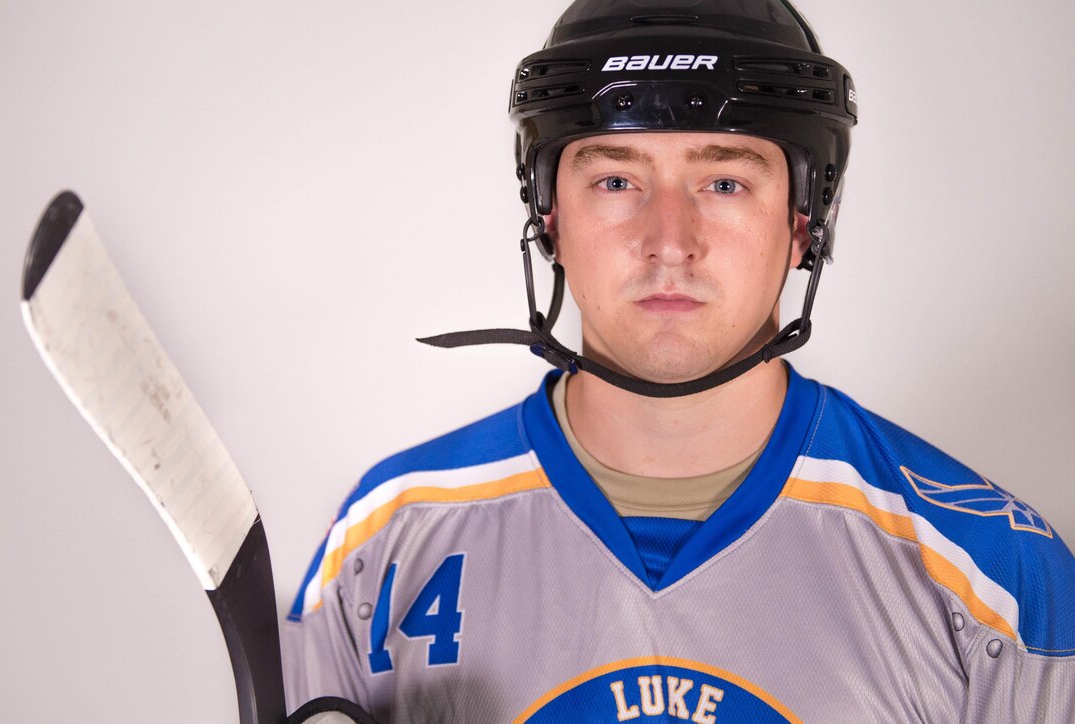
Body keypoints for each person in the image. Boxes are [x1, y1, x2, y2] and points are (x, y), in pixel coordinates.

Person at [283, 1, 1075, 721]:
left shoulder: (997, 581)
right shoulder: (383, 544)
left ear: (805, 221)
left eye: (724, 181)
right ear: (548, 215)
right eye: (617, 179)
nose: (669, 239)